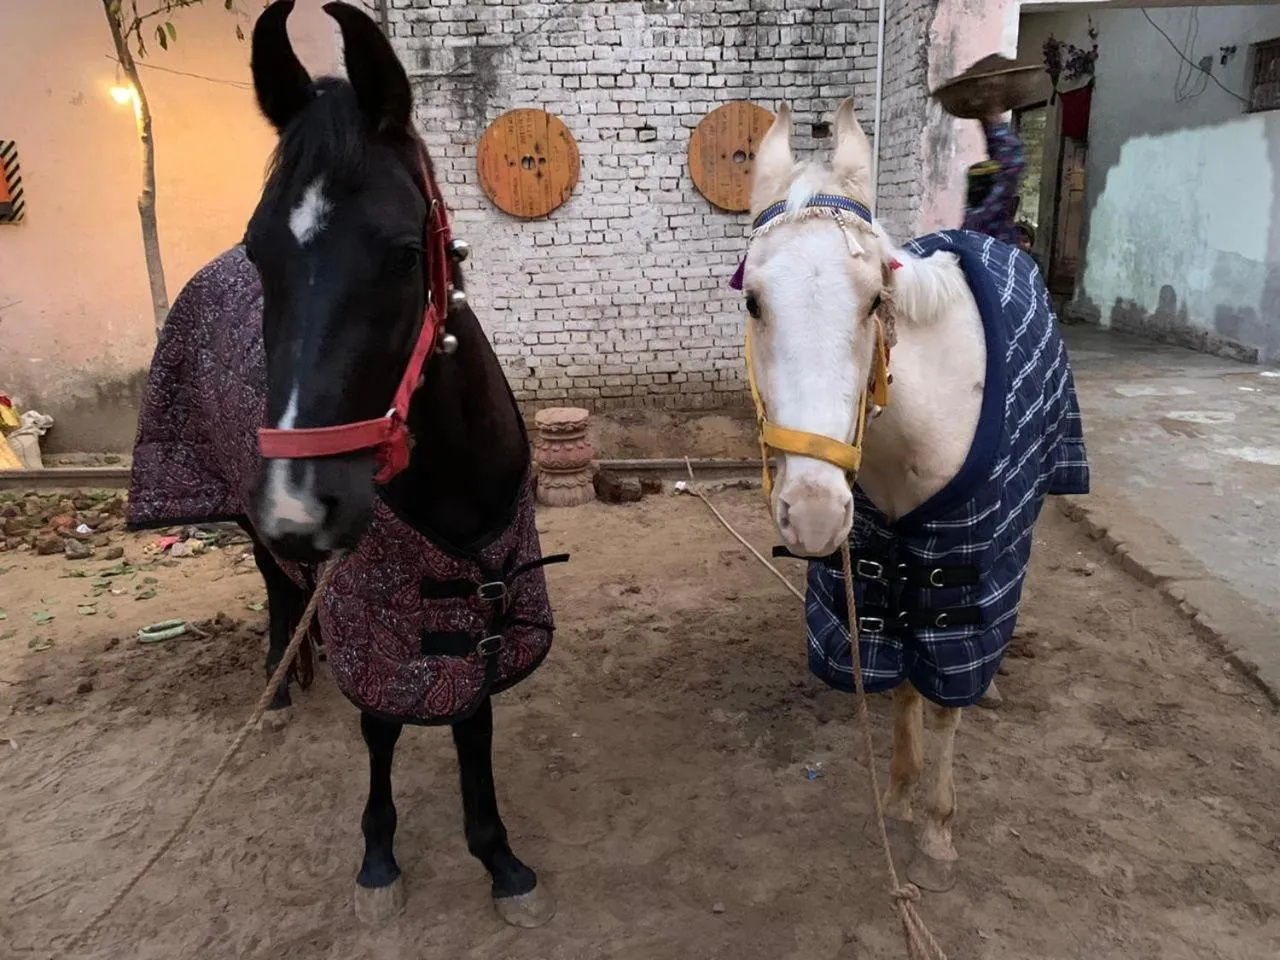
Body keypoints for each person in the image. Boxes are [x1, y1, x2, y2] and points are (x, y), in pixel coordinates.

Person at [961, 110, 1026, 247]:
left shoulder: (971, 219)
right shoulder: (987, 217)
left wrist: (987, 125)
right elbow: (1012, 164)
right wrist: (996, 124)